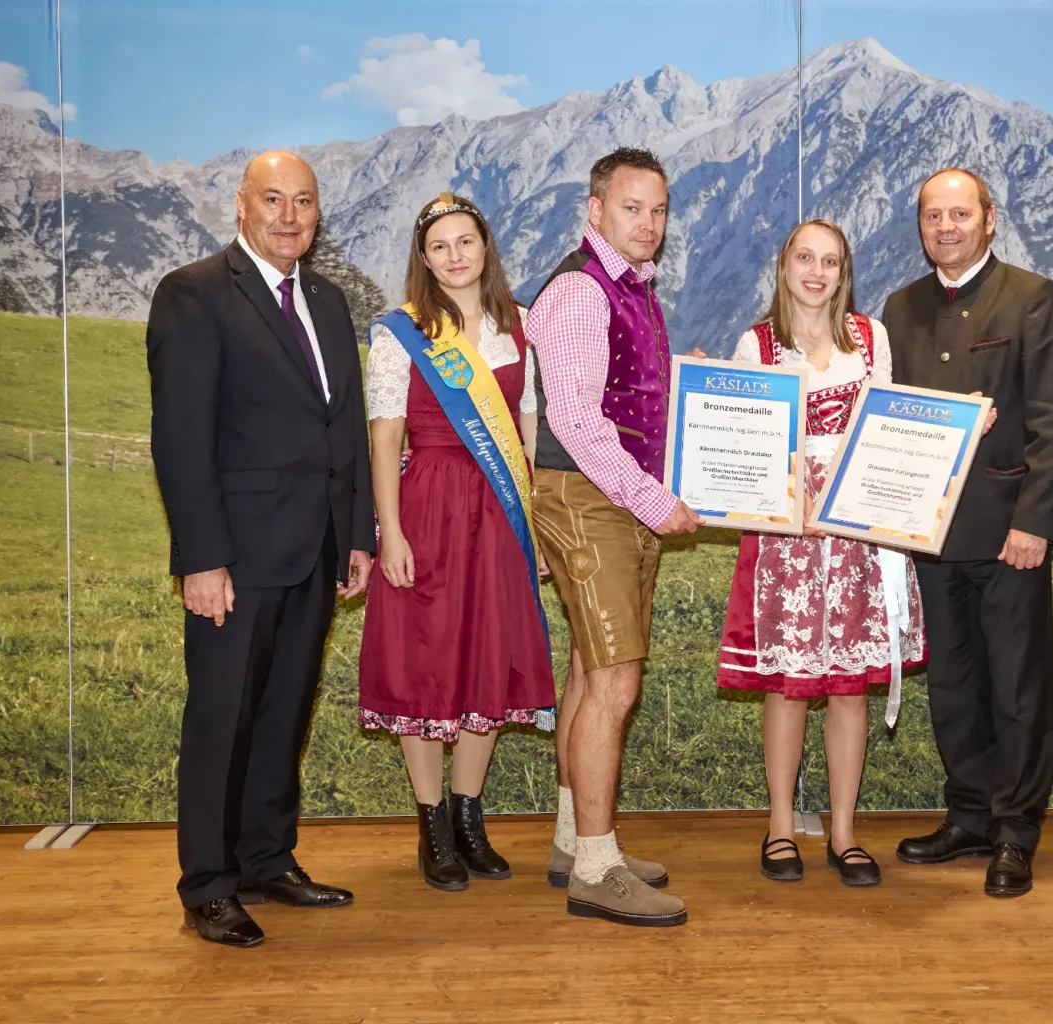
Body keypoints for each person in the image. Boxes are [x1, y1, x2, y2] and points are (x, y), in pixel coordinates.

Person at [146, 151, 374, 948]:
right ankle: (208, 884)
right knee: (221, 719)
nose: (289, 215)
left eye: (303, 201)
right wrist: (199, 558)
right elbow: (180, 439)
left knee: (283, 714)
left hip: (314, 550)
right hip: (235, 558)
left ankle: (265, 859)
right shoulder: (195, 294)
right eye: (272, 199)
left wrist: (358, 535)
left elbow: (342, 426)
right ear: (239, 206)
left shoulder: (329, 301)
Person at [717, 220, 938, 886]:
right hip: (786, 534)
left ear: (845, 272)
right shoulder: (754, 345)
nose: (817, 272)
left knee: (849, 689)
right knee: (786, 687)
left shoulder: (870, 338)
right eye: (805, 258)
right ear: (783, 265)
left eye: (831, 262)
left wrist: (953, 428)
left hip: (856, 534)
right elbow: (741, 448)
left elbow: (888, 431)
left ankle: (843, 831)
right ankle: (780, 825)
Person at [883, 168, 1053, 897]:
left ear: (989, 220)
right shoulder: (899, 308)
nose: (946, 227)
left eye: (960, 214)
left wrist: (1035, 523)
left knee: (1017, 686)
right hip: (930, 534)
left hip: (1007, 536)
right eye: (933, 215)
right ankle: (967, 814)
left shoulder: (1031, 297)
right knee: (955, 685)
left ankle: (1016, 831)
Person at [357, 192, 556, 892]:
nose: (454, 256)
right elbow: (384, 437)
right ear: (423, 257)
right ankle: (432, 824)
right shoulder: (399, 333)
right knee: (426, 661)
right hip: (430, 507)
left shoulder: (520, 327)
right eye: (439, 246)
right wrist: (391, 533)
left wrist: (537, 525)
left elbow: (528, 434)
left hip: (500, 513)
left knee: (488, 660)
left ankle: (471, 820)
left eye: (465, 241)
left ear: (485, 247)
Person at [526, 147, 701, 927]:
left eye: (658, 210)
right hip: (587, 496)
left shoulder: (633, 291)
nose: (649, 224)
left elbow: (628, 396)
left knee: (587, 671)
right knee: (616, 684)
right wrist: (650, 499)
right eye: (632, 208)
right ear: (594, 210)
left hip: (614, 497)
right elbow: (573, 419)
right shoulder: (577, 289)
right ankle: (597, 869)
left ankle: (575, 842)